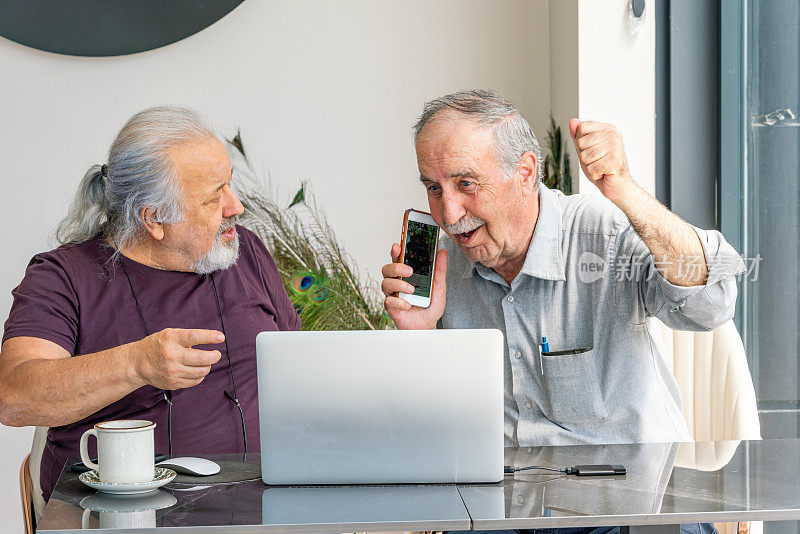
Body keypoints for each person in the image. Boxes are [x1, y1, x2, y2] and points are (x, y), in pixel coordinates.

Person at [381, 89, 744, 447]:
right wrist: (420, 336)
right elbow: (421, 430)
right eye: (433, 188)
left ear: (525, 173)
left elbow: (713, 303)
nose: (449, 213)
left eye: (466, 184)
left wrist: (625, 190)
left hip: (623, 491)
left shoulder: (605, 236)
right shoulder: (441, 267)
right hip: (501, 493)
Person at [0, 106, 300, 502]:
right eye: (214, 198)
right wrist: (137, 364)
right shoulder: (63, 276)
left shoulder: (244, 251)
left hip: (262, 506)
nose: (236, 207)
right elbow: (14, 398)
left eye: (229, 184)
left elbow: (300, 366)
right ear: (154, 218)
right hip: (119, 514)